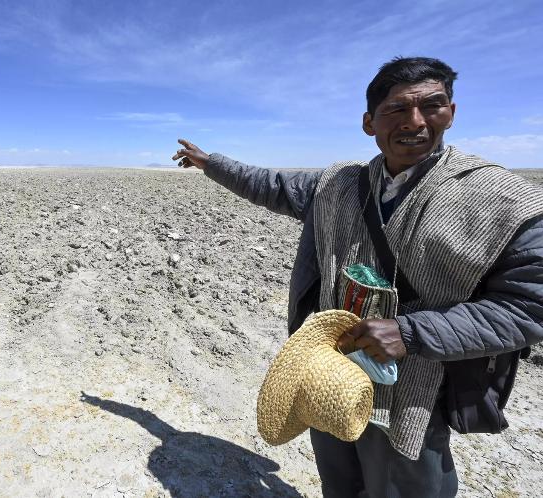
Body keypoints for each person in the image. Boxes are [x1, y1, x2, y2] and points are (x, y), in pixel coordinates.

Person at [172, 56, 543, 497]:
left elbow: (529, 306)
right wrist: (209, 162)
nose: (416, 121)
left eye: (432, 106)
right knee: (339, 475)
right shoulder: (340, 184)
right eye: (397, 109)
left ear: (452, 112)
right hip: (331, 369)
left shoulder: (504, 202)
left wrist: (411, 331)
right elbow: (269, 184)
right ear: (370, 123)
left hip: (416, 386)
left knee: (406, 484)